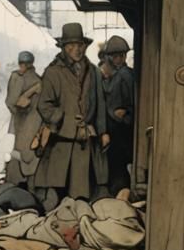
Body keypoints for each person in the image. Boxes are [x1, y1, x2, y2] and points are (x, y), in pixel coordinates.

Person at [35, 23, 109, 207]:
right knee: (57, 189)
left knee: (82, 190)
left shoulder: (93, 71)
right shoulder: (52, 72)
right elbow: (44, 105)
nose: (76, 50)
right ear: (64, 48)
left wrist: (103, 131)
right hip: (60, 139)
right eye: (71, 46)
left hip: (85, 139)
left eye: (79, 45)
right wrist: (62, 118)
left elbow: (100, 103)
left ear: (84, 46)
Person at [102, 35, 135, 193]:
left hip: (121, 126)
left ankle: (120, 191)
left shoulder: (126, 75)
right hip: (113, 125)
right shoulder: (113, 76)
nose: (117, 59)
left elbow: (132, 100)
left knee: (119, 161)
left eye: (119, 55)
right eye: (114, 56)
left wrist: (126, 112)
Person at [5, 50, 42, 191]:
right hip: (36, 122)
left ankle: (20, 187)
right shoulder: (38, 79)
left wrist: (17, 110)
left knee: (21, 154)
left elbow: (10, 102)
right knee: (32, 155)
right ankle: (32, 187)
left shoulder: (17, 78)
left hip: (22, 122)